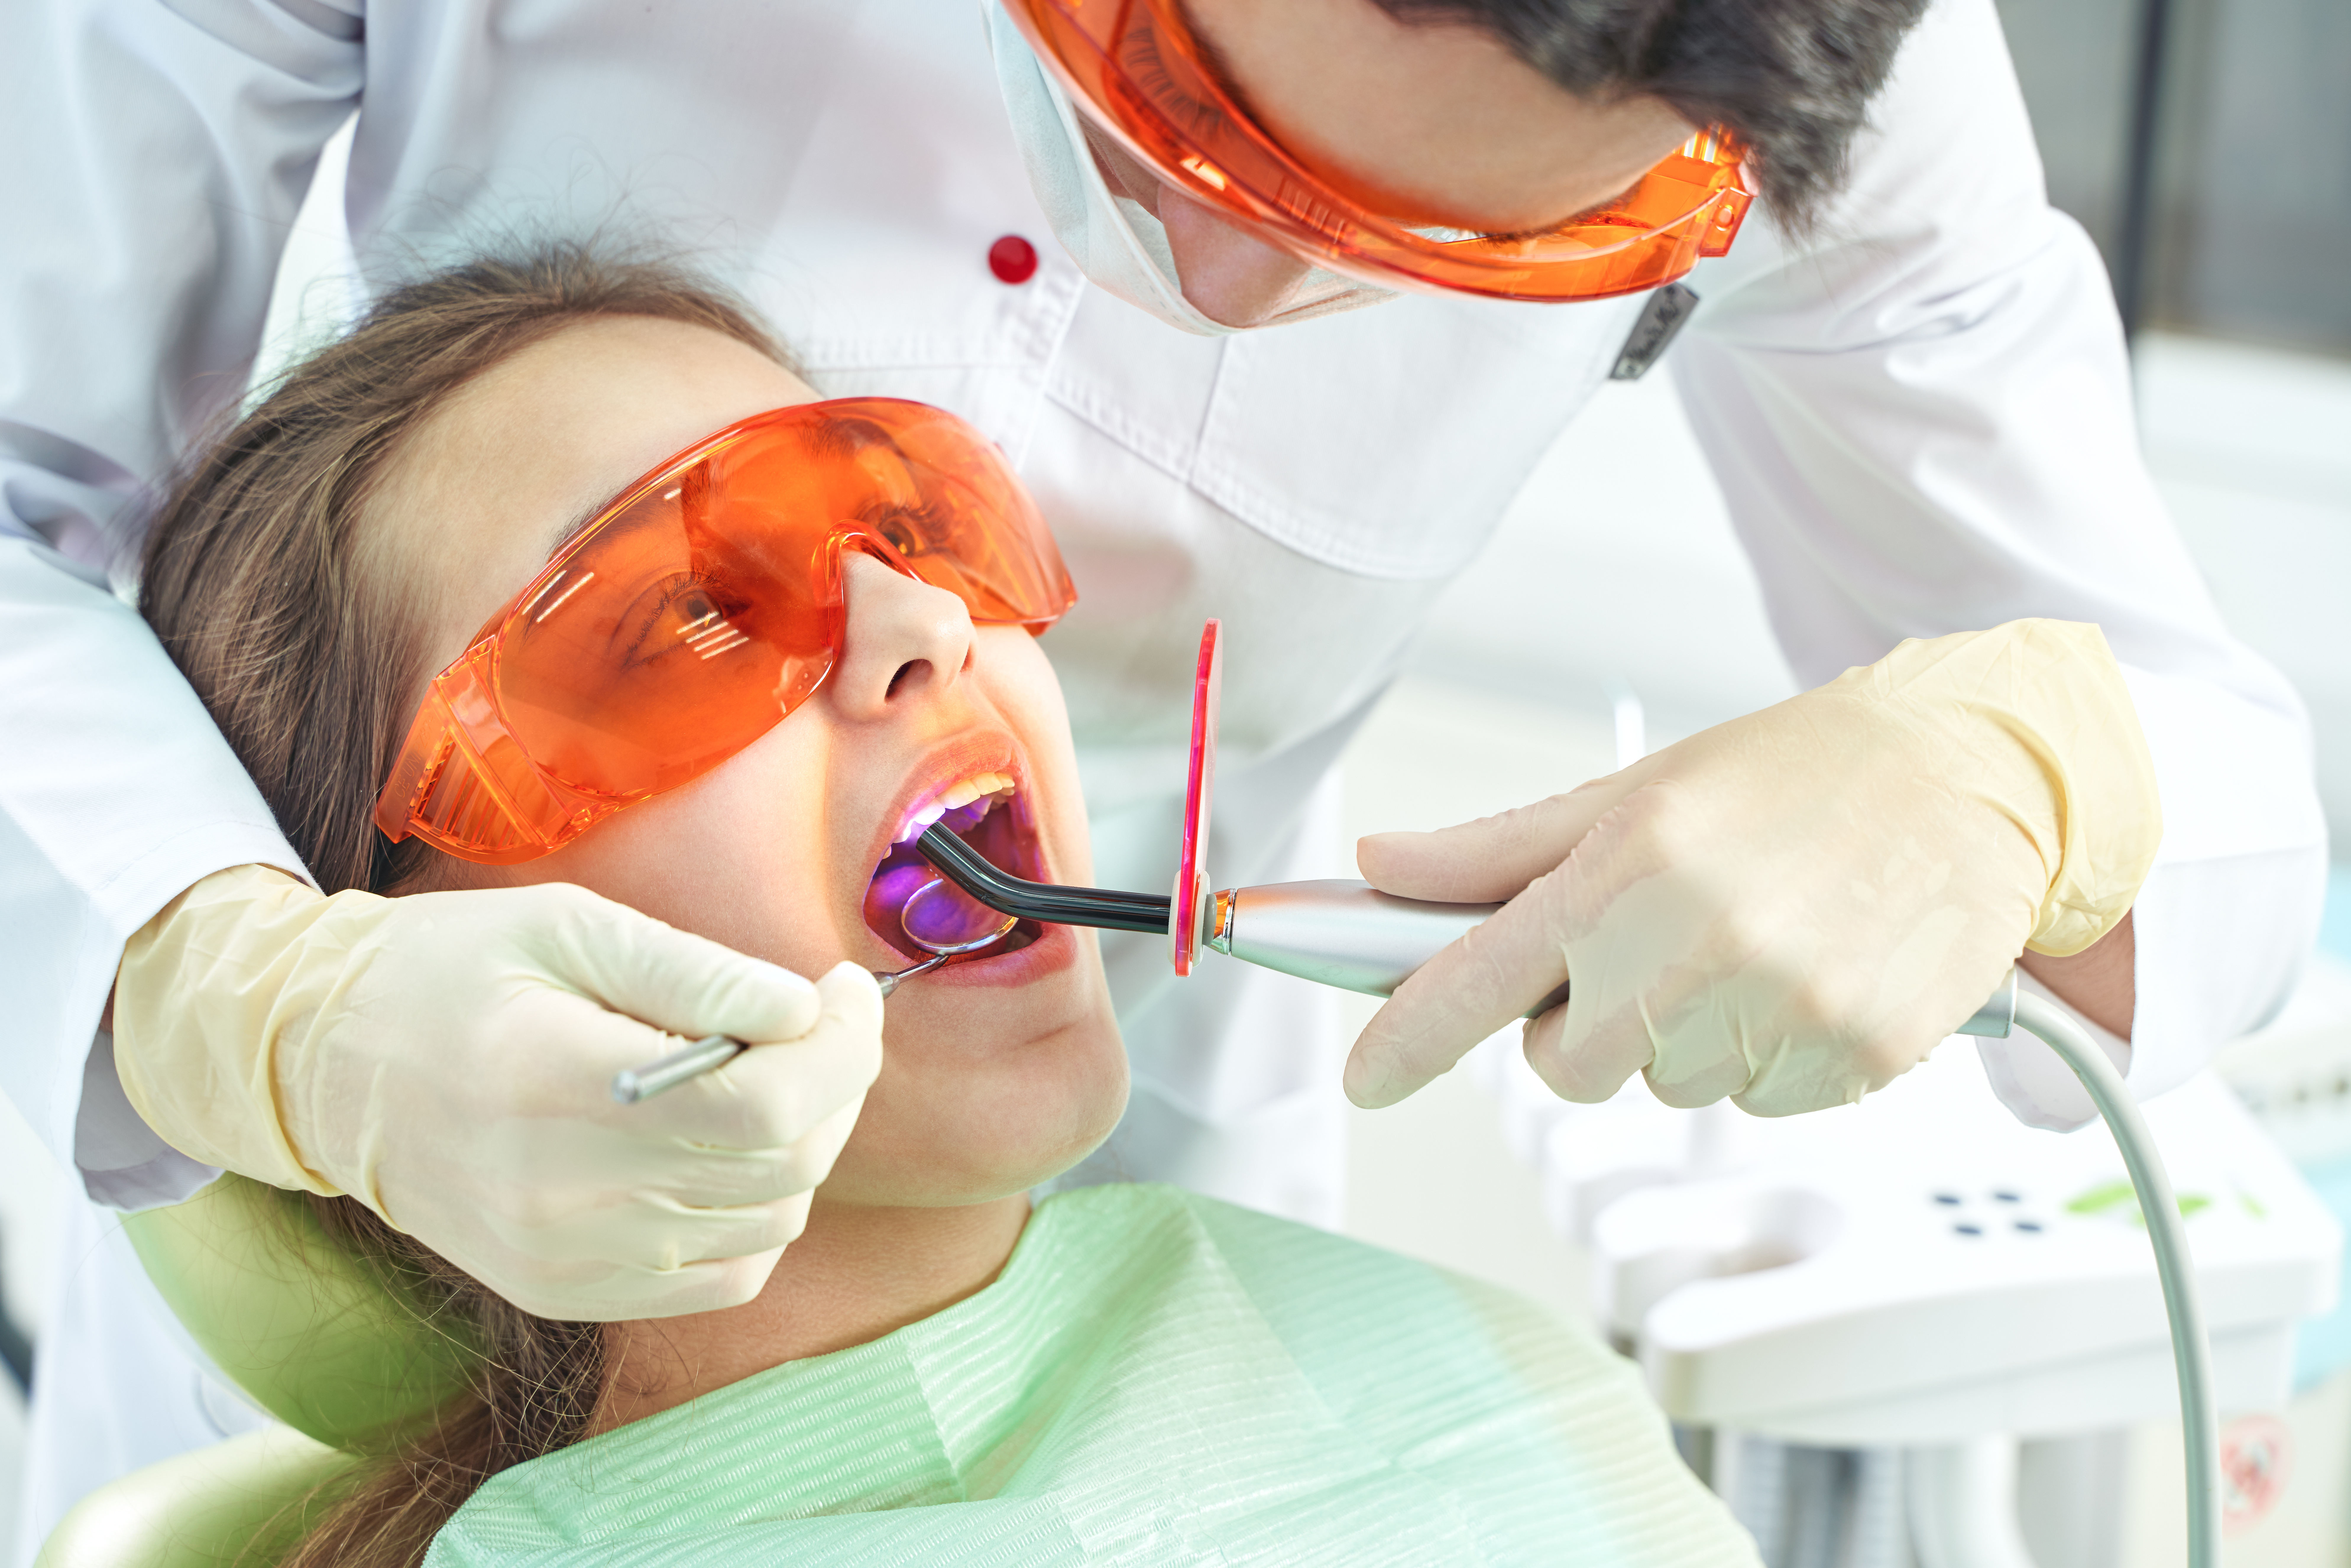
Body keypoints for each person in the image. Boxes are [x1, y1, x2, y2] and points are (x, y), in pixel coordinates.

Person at [0, 0, 2324, 1543]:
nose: (1224, 293)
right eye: (697, 608)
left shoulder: (1472, 1425)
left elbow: (2202, 774)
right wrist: (249, 996)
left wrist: (2012, 774)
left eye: (1427, 253)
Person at [123, 247, 1761, 1568]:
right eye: (689, 617)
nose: (922, 619)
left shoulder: (1468, 1356)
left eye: (909, 522)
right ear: (411, 952)